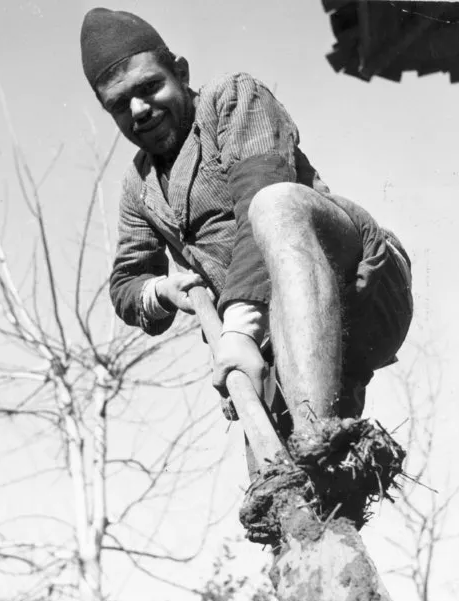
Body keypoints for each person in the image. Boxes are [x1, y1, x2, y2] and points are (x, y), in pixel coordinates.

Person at [80, 8, 413, 518]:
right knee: (291, 506)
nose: (140, 109)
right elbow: (126, 282)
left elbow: (261, 192)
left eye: (150, 87)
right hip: (280, 345)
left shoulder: (231, 99)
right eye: (120, 105)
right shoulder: (139, 185)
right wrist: (162, 292)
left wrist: (235, 327)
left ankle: (317, 440)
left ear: (181, 73)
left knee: (275, 206)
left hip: (356, 280)